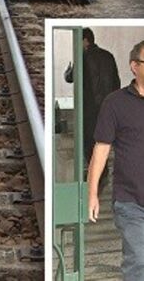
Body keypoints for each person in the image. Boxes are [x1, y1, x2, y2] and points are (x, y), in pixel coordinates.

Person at [88, 40, 144, 280]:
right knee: (139, 260)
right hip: (130, 200)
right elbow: (101, 149)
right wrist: (92, 193)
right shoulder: (115, 103)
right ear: (134, 66)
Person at [65, 28, 120, 187]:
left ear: (85, 40)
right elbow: (116, 82)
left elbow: (70, 78)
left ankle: (97, 175)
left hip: (89, 109)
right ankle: (103, 172)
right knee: (103, 140)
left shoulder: (83, 57)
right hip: (107, 107)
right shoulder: (108, 56)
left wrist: (68, 70)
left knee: (89, 142)